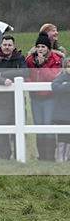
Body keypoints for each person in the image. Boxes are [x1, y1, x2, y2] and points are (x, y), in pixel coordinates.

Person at [0, 34, 29, 160]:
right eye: (5, 45)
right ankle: (3, 157)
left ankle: (19, 156)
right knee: (1, 133)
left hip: (17, 101)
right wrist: (2, 81)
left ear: (13, 46)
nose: (7, 47)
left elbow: (25, 72)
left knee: (19, 131)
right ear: (1, 45)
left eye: (9, 45)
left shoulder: (19, 58)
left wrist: (4, 74)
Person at [26, 32, 63, 161]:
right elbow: (26, 75)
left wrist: (42, 65)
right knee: (39, 125)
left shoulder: (56, 59)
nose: (40, 49)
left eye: (43, 47)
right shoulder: (30, 60)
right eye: (38, 46)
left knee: (48, 124)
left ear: (48, 48)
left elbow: (53, 78)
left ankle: (50, 156)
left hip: (50, 97)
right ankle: (41, 155)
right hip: (36, 97)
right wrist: (32, 85)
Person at [50, 57, 70, 162]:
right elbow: (55, 87)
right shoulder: (61, 77)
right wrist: (67, 86)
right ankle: (61, 156)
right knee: (62, 135)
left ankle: (67, 156)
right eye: (68, 66)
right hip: (62, 112)